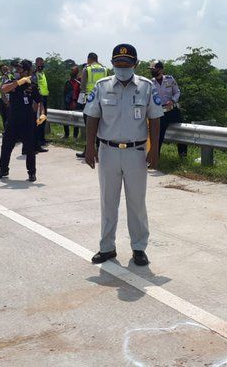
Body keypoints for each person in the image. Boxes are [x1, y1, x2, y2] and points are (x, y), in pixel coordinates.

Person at [84, 44, 163, 266]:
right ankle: (107, 247)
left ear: (135, 65)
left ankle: (139, 247)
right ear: (112, 64)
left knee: (137, 203)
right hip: (107, 151)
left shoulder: (146, 87)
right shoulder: (102, 86)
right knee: (108, 201)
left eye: (126, 64)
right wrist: (90, 147)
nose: (122, 68)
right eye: (117, 64)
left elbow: (155, 118)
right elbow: (92, 116)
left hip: (136, 153)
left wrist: (154, 149)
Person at [0, 59, 45, 182]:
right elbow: (4, 89)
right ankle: (3, 170)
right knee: (6, 146)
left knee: (30, 148)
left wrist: (42, 114)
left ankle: (31, 173)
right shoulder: (13, 82)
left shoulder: (32, 86)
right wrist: (18, 82)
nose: (17, 71)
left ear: (26, 71)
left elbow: (40, 102)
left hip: (27, 121)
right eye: (17, 69)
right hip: (13, 120)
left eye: (20, 69)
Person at [150, 60, 187, 158]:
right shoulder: (150, 83)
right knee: (158, 134)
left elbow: (177, 92)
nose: (153, 71)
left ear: (161, 70)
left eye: (154, 69)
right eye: (151, 69)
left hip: (173, 110)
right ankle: (155, 156)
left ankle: (183, 155)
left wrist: (173, 100)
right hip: (160, 112)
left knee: (181, 132)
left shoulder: (170, 79)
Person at [76, 52, 108, 158]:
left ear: (89, 59)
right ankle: (100, 151)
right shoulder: (104, 69)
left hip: (90, 100)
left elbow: (83, 86)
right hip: (103, 101)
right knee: (100, 126)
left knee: (89, 127)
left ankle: (88, 151)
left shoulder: (87, 69)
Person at [33, 57, 50, 151]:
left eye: (42, 63)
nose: (42, 65)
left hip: (44, 96)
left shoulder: (42, 73)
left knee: (43, 118)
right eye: (40, 63)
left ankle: (42, 139)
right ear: (36, 63)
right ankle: (38, 140)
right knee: (39, 118)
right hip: (39, 97)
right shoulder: (35, 73)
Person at [63, 64, 82, 139]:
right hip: (68, 103)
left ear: (77, 72)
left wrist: (75, 102)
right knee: (65, 119)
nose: (72, 72)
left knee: (76, 120)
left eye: (73, 70)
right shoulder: (68, 82)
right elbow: (64, 94)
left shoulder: (79, 82)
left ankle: (75, 136)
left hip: (76, 103)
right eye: (71, 70)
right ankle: (66, 134)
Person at [0, 64, 13, 131]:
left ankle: (12, 132)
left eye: (6, 69)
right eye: (3, 69)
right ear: (1, 70)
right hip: (1, 100)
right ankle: (6, 131)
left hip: (11, 99)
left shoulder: (12, 77)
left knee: (10, 117)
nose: (5, 70)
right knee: (4, 116)